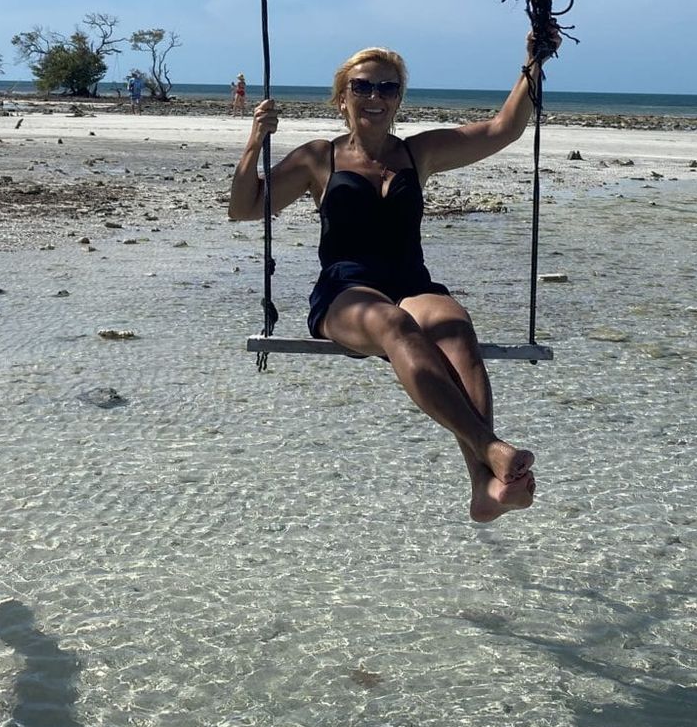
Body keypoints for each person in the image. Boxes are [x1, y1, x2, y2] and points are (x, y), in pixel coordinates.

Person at [228, 32, 556, 521]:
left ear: (400, 97)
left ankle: (484, 489)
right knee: (394, 326)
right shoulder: (321, 157)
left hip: (412, 282)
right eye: (363, 87)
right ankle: (491, 450)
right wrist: (256, 141)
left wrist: (533, 61)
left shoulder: (418, 154)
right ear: (342, 98)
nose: (375, 97)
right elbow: (245, 208)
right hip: (345, 291)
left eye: (388, 87)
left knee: (455, 326)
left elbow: (505, 128)